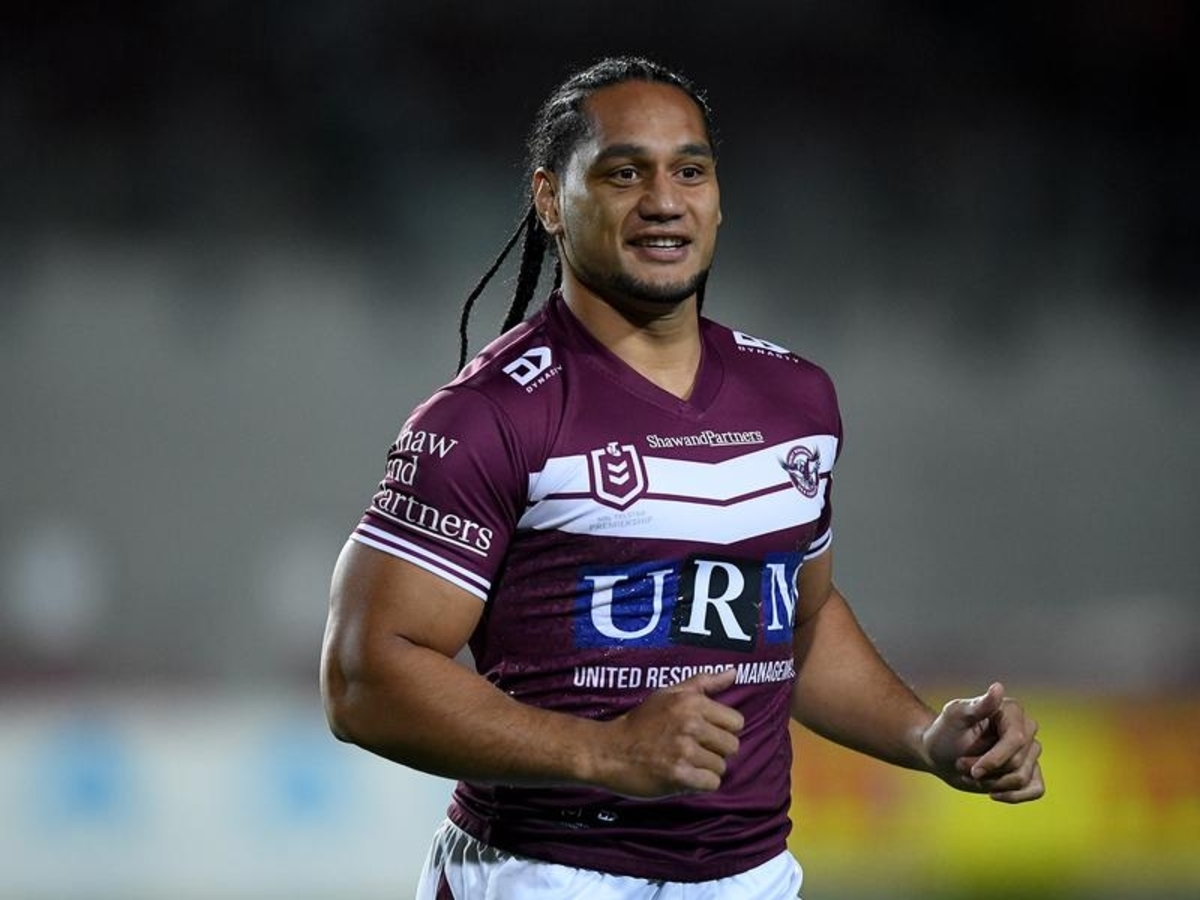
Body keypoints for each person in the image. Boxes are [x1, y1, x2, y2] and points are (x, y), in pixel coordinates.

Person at [320, 56, 1044, 899]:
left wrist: (923, 738)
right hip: (545, 874)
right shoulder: (487, 417)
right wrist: (604, 752)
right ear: (551, 200)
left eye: (689, 171)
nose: (664, 201)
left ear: (718, 198)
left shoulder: (797, 400)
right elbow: (362, 679)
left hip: (752, 877)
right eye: (624, 173)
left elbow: (800, 623)